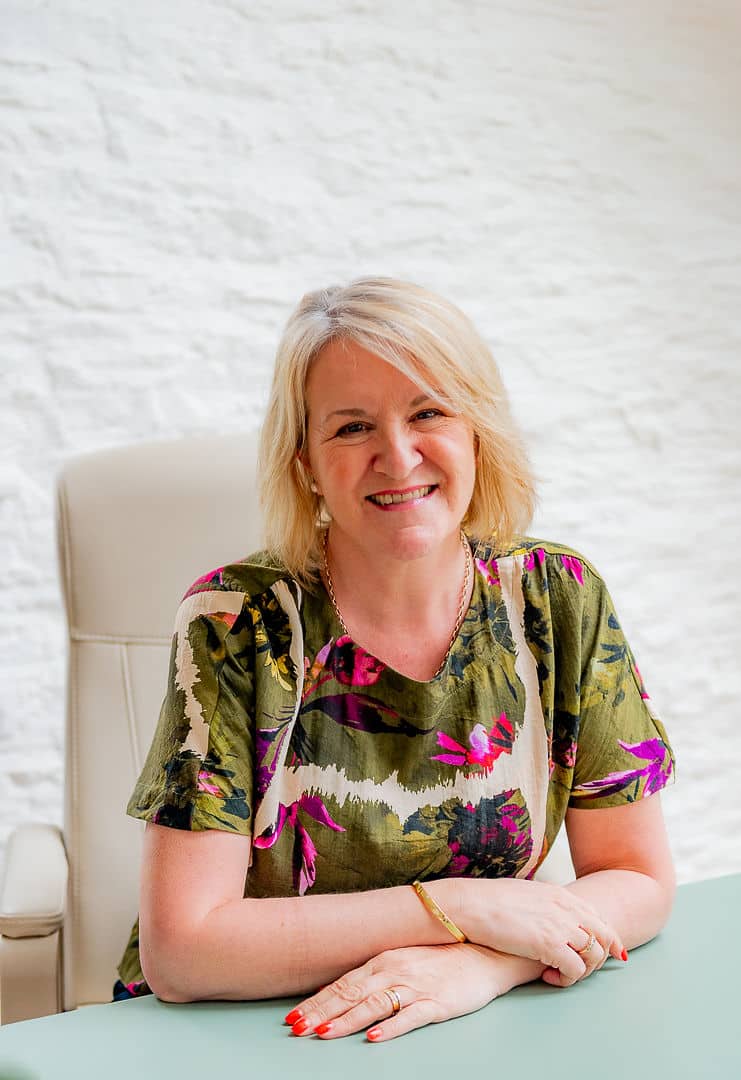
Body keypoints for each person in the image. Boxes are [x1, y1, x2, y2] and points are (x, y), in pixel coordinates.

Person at [115, 277, 676, 1042]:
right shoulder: (236, 622)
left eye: (428, 412)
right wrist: (459, 908)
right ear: (305, 459)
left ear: (478, 430)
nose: (397, 455)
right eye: (350, 428)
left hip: (470, 1025)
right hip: (254, 1030)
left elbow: (637, 879)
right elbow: (184, 951)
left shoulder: (556, 597)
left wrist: (479, 965)